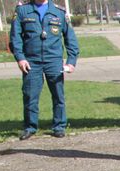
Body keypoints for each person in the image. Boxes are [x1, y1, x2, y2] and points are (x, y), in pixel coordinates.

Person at [9, 0, 79, 140]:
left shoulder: (59, 12)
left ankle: (59, 126)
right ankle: (30, 127)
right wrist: (20, 58)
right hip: (31, 61)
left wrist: (71, 61)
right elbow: (15, 37)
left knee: (58, 95)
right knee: (30, 96)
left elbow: (70, 38)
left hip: (53, 60)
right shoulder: (22, 11)